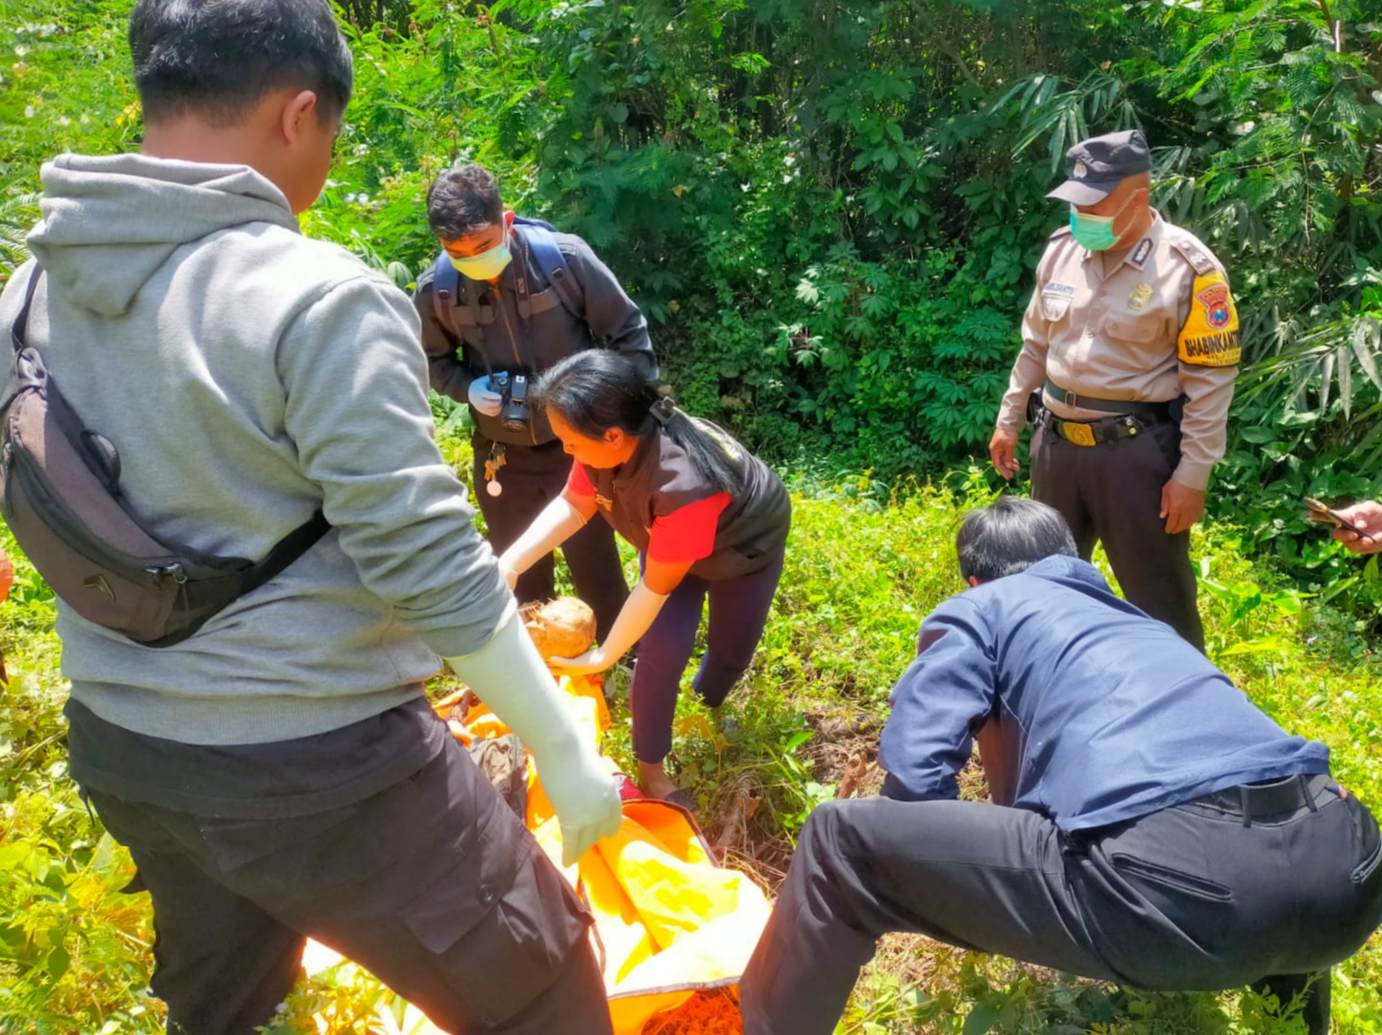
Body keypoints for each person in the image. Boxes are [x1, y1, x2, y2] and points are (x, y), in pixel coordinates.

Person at [0, 2, 622, 1033]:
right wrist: (558, 748)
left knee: (221, 1003)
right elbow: (427, 563)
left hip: (123, 744)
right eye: (331, 136)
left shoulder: (27, 295)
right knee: (544, 984)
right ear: (299, 116)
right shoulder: (314, 296)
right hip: (322, 763)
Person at [739, 497, 1382, 1035]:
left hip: (1187, 886)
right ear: (1077, 564)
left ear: (973, 581)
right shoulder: (1142, 625)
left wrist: (923, 871)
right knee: (1269, 851)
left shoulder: (982, 607)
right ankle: (1292, 1020)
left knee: (837, 840)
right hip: (1347, 864)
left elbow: (916, 767)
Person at [498, 351, 791, 808]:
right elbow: (575, 505)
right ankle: (652, 771)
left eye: (570, 443)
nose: (565, 451)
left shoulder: (684, 485)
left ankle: (708, 699)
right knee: (660, 648)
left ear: (613, 436)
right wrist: (511, 563)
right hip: (669, 541)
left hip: (741, 549)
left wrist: (602, 656)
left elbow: (655, 587)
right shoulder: (604, 441)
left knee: (733, 648)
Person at [989, 129, 1241, 651]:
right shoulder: (1062, 252)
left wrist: (1193, 475)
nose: (1081, 215)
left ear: (1138, 199)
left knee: (1159, 604)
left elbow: (1211, 384)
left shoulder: (1188, 268)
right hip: (1055, 446)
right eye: (1075, 203)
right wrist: (1009, 418)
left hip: (1135, 456)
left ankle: (1184, 712)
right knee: (1043, 587)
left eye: (1094, 203)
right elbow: (1035, 345)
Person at [415, 163, 657, 640]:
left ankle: (618, 661)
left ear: (506, 221)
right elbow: (428, 360)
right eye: (455, 251)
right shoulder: (437, 290)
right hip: (504, 453)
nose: (471, 258)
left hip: (579, 447)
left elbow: (629, 335)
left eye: (483, 246)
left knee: (597, 570)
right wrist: (467, 389)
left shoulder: (562, 261)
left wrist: (623, 422)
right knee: (521, 572)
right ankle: (537, 678)